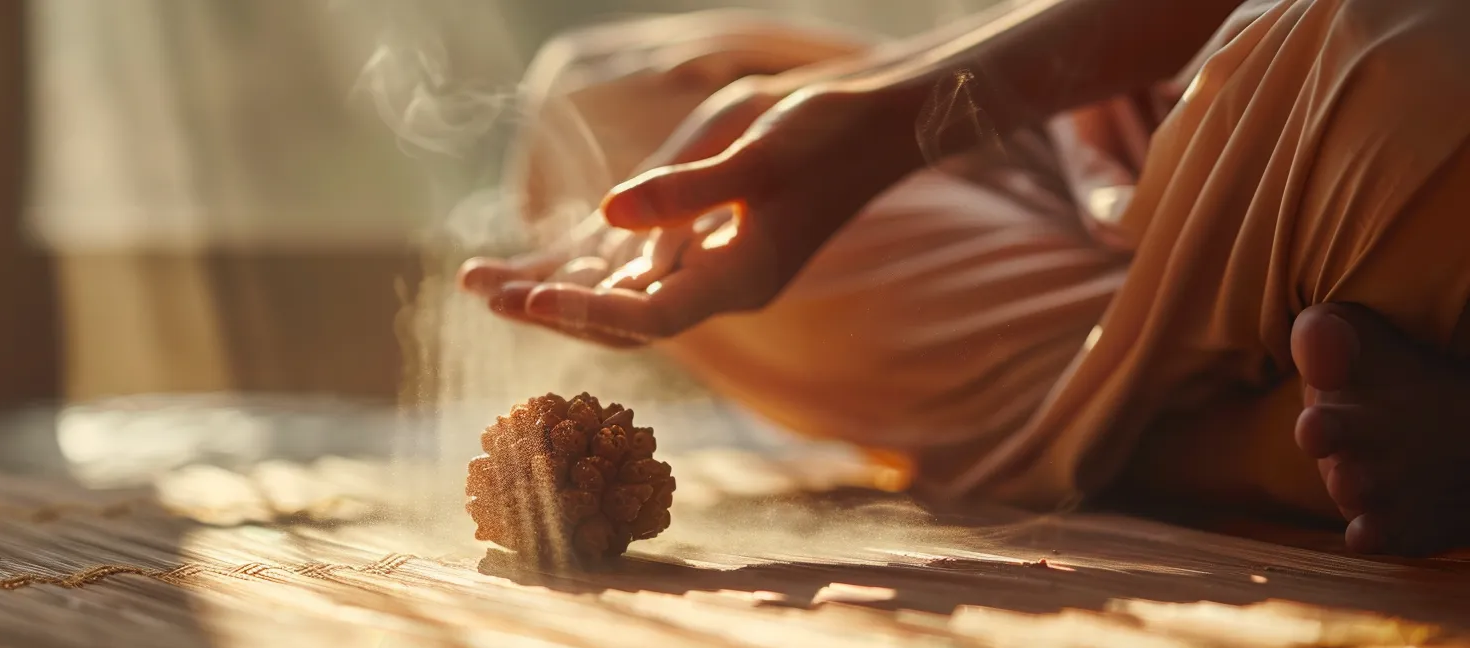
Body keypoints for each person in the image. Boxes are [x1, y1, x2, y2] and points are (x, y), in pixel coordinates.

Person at [458, 0, 1470, 557]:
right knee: (597, 112)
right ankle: (1258, 433)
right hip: (1083, 126)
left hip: (1321, 105)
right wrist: (872, 119)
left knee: (1415, 56)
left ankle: (1233, 444)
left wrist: (882, 124)